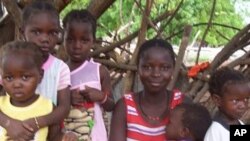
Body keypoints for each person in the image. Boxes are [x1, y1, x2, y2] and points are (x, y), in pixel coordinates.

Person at [0, 1, 71, 140]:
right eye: (36, 32)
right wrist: (9, 124)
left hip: (46, 134)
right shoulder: (7, 63)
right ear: (22, 31)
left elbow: (64, 108)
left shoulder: (60, 69)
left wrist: (38, 123)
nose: (45, 39)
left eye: (52, 33)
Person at [109, 39, 189, 141]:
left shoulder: (183, 104)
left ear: (173, 69)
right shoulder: (124, 107)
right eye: (147, 67)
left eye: (164, 68)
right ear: (138, 68)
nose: (156, 74)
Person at [0, 41, 76, 141]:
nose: (16, 84)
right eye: (9, 78)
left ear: (40, 75)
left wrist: (66, 137)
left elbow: (54, 137)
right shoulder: (1, 105)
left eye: (25, 77)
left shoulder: (47, 108)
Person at [62, 9, 115, 140]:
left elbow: (111, 105)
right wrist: (67, 97)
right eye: (70, 40)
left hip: (97, 135)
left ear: (93, 41)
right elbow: (49, 103)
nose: (77, 46)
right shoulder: (59, 71)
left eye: (84, 40)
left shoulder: (100, 71)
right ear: (63, 38)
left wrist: (101, 97)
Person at [204, 67, 250, 141]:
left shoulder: (239, 123)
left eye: (246, 99)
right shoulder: (215, 132)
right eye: (236, 101)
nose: (243, 105)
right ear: (217, 100)